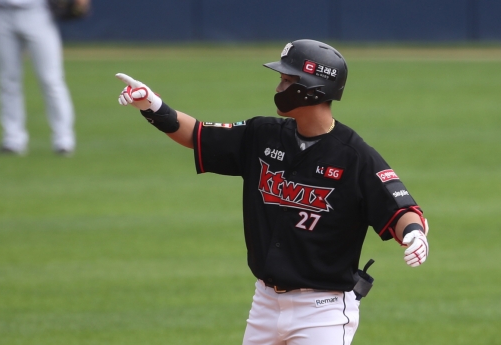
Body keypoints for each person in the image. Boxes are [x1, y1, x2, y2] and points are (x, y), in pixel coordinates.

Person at [115, 39, 430, 345]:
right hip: (264, 304)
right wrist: (151, 105)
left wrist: (415, 234)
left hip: (323, 312)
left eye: (286, 79)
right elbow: (197, 134)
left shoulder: (354, 156)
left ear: (312, 90)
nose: (279, 87)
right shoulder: (261, 134)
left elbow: (401, 209)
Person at [0, 0, 76, 156]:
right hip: (2, 11)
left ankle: (64, 139)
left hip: (36, 11)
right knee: (7, 80)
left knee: (51, 79)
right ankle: (13, 139)